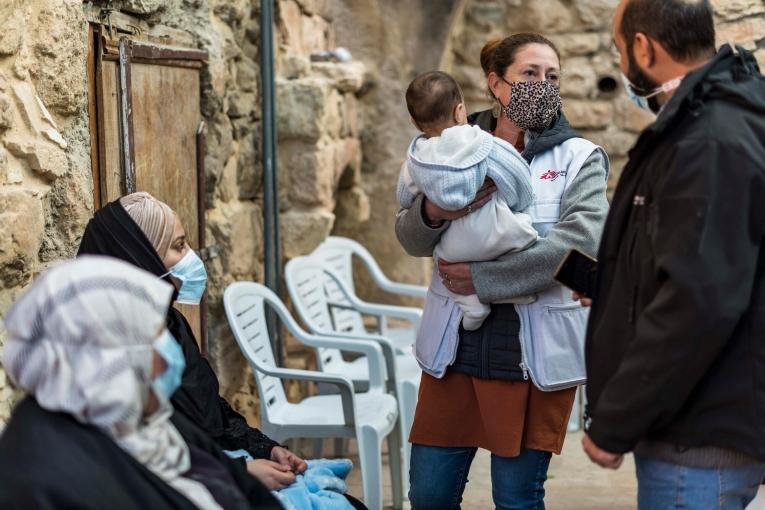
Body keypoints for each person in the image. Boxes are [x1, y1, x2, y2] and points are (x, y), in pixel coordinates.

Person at [396, 33, 609, 509]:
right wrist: (434, 212)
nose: (543, 85)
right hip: (455, 350)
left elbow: (580, 245)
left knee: (516, 498)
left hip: (531, 355)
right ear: (496, 83)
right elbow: (408, 238)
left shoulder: (580, 158)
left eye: (552, 76)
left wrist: (485, 280)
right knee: (429, 495)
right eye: (530, 74)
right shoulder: (447, 145)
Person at [580, 1, 765, 508]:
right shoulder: (714, 120)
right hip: (702, 424)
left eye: (620, 51)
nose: (621, 66)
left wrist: (616, 420)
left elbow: (697, 300)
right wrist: (610, 287)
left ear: (644, 48)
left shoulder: (708, 139)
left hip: (696, 437)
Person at [77, 193, 368, 510]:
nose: (191, 256)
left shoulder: (169, 324)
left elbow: (209, 411)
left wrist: (265, 450)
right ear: (141, 259)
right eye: (178, 246)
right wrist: (239, 473)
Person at [0, 256, 281, 509]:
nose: (170, 355)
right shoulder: (42, 482)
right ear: (111, 359)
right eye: (156, 339)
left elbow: (245, 490)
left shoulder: (144, 418)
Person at [399, 70, 538, 377]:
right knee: (524, 231)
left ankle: (472, 307)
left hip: (454, 247)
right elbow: (517, 180)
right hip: (494, 231)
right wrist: (518, 206)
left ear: (414, 122)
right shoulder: (482, 143)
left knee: (448, 260)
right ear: (460, 110)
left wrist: (427, 206)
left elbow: (404, 198)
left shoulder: (418, 157)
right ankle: (515, 289)